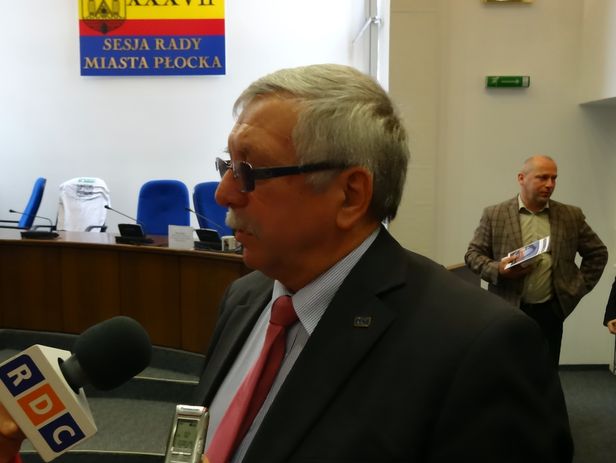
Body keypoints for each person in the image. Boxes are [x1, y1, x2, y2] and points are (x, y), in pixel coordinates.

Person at [1, 65, 573, 462]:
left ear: (350, 195)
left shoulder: (480, 349)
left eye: (249, 171)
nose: (224, 193)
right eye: (226, 165)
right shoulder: (247, 296)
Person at [465, 155, 608, 366]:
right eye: (542, 177)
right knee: (507, 370)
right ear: (521, 178)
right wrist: (498, 269)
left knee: (546, 372)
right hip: (506, 309)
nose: (550, 184)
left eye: (554, 178)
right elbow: (472, 255)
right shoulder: (495, 214)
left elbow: (598, 253)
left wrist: (576, 288)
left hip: (550, 311)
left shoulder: (570, 216)